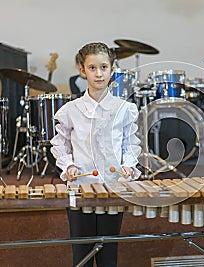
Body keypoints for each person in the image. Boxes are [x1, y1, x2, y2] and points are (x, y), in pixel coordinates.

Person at [50, 42, 141, 267]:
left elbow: (130, 144)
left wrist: (129, 165)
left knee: (109, 255)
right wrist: (68, 166)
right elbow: (60, 145)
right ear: (82, 71)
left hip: (112, 187)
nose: (98, 73)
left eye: (103, 67)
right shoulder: (70, 110)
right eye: (92, 68)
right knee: (82, 255)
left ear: (112, 70)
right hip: (81, 188)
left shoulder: (124, 109)